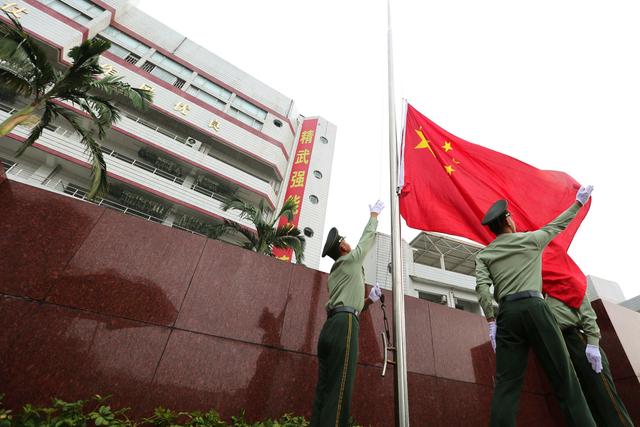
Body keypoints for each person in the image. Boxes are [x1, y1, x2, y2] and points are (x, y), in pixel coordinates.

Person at [475, 185, 596, 427]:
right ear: (508, 220)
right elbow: (557, 225)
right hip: (535, 308)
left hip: (507, 316)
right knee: (565, 378)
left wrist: (491, 321)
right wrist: (578, 203)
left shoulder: (484, 255)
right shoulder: (530, 240)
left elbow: (482, 289)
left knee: (506, 385)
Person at [311, 200, 384, 427]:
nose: (348, 243)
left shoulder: (335, 274)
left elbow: (349, 304)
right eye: (344, 240)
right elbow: (366, 240)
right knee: (340, 389)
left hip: (330, 328)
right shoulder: (351, 260)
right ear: (342, 248)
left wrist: (369, 301)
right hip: (344, 326)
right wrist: (373, 215)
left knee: (324, 389)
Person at [546, 293, 635, 426]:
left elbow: (588, 314)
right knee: (587, 407)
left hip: (579, 342)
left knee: (606, 401)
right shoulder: (542, 293)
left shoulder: (567, 283)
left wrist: (593, 343)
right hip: (560, 347)